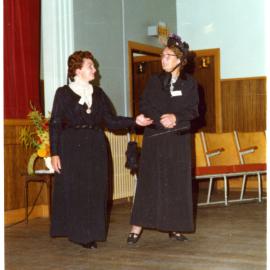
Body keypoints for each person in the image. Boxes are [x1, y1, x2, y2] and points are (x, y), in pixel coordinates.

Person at [49, 51, 144, 249]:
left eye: (94, 66)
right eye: (90, 66)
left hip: (96, 145)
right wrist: (55, 153)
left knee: (96, 189)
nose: (95, 70)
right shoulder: (63, 93)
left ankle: (92, 233)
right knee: (79, 190)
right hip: (72, 147)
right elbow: (56, 124)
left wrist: (135, 120)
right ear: (78, 70)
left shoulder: (98, 94)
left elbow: (110, 120)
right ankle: (81, 235)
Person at [127, 33, 199, 244]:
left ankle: (175, 226)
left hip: (178, 141)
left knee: (177, 184)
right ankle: (136, 227)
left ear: (179, 60)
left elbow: (194, 110)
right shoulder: (153, 81)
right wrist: (160, 118)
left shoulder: (191, 84)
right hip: (156, 138)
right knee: (148, 183)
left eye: (168, 56)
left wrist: (176, 117)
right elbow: (145, 104)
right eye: (162, 55)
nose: (163, 59)